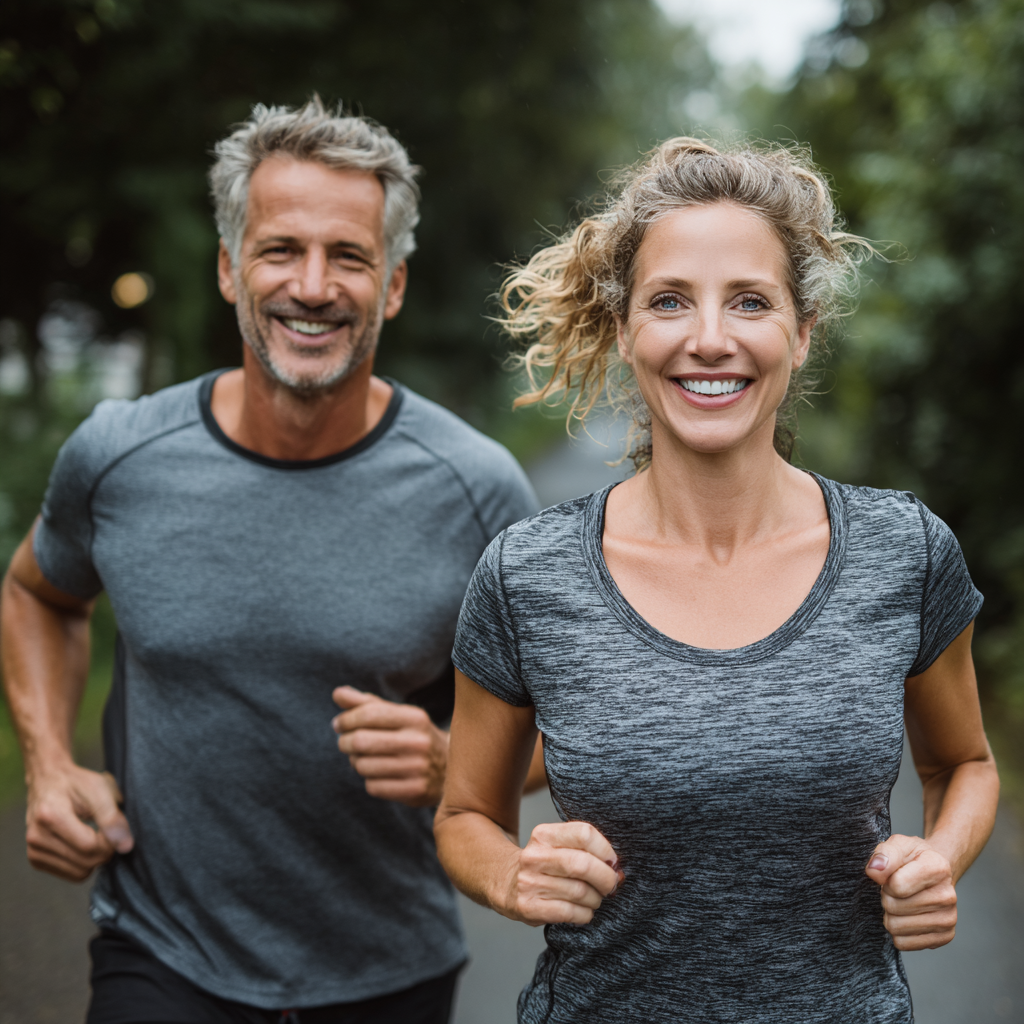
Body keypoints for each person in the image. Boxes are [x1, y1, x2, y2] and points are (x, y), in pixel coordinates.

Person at [434, 138, 1000, 1023]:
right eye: (669, 301)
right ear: (624, 330)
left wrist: (941, 857)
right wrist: (511, 874)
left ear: (802, 331)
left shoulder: (906, 551)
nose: (709, 339)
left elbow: (964, 761)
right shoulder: (527, 574)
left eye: (749, 301)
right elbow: (465, 811)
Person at [0, 97, 539, 1024]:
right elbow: (37, 593)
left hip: (388, 964)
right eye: (281, 249)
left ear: (395, 285)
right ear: (229, 268)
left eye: (350, 256)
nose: (314, 285)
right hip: (160, 950)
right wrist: (48, 763)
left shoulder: (476, 488)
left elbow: (561, 718)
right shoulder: (119, 456)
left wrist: (458, 759)